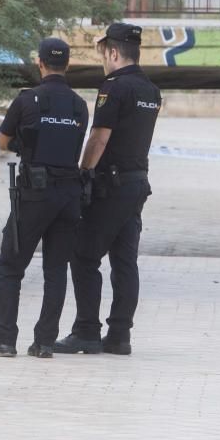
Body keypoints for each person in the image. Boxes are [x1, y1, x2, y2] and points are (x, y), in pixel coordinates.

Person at [0, 38, 89, 358]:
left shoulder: (27, 100)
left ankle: (4, 337)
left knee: (10, 266)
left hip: (35, 194)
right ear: (67, 64)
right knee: (56, 270)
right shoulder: (80, 105)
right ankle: (45, 342)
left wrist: (25, 147)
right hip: (69, 195)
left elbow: (2, 142)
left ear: (40, 63)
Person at [55, 23, 161, 356]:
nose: (103, 60)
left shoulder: (114, 88)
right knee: (124, 261)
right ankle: (119, 335)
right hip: (136, 184)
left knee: (84, 255)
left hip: (110, 187)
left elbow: (99, 137)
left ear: (113, 53)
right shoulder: (150, 90)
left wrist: (83, 172)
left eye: (104, 53)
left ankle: (86, 330)